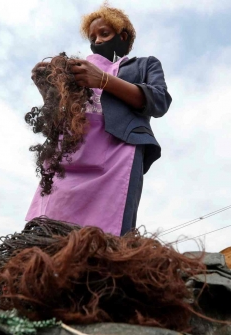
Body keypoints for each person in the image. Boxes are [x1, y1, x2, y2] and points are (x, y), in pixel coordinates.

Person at [25, 4, 172, 236]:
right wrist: (47, 91)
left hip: (118, 154)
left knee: (107, 237)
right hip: (70, 157)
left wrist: (103, 79)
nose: (98, 41)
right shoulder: (78, 72)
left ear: (122, 37)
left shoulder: (144, 64)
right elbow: (60, 119)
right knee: (48, 233)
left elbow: (160, 101)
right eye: (93, 37)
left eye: (105, 34)